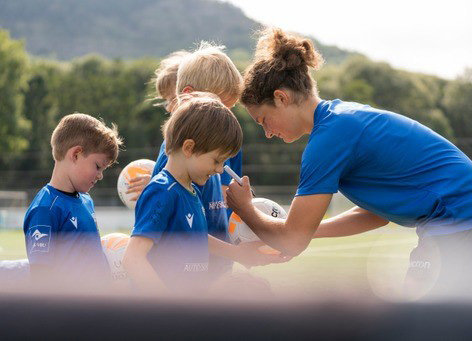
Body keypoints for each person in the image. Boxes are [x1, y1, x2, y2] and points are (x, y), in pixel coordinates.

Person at [226, 28, 472, 298]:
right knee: (443, 323)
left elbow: (292, 240)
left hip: (461, 217)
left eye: (263, 120)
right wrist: (309, 231)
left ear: (281, 97)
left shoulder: (328, 139)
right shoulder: (339, 119)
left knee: (425, 323)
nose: (267, 132)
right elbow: (376, 214)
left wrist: (245, 208)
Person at [127, 44, 282, 283]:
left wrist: (249, 224)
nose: (226, 118)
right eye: (219, 107)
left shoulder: (221, 146)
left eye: (229, 110)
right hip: (185, 281)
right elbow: (172, 236)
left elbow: (226, 206)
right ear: (189, 95)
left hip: (215, 273)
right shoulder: (171, 169)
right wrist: (238, 253)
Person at [123, 93, 244, 293]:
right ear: (188, 148)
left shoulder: (191, 191)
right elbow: (133, 259)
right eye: (216, 161)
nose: (221, 170)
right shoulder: (162, 191)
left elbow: (195, 239)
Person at [23, 113, 123, 290]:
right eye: (98, 166)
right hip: (68, 313)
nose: (100, 175)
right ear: (76, 154)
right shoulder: (45, 209)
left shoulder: (86, 200)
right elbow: (40, 278)